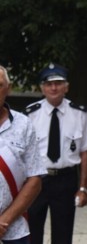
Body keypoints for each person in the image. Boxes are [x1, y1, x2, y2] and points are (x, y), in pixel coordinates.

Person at [24, 63, 87, 244]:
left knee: (63, 234)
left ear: (66, 87)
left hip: (65, 180)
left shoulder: (79, 114)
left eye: (58, 83)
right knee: (32, 231)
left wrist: (83, 187)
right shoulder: (29, 115)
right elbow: (22, 153)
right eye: (48, 84)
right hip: (36, 180)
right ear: (42, 88)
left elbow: (86, 152)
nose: (53, 88)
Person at [0, 65, 45, 244]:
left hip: (13, 228)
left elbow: (35, 180)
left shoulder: (23, 124)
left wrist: (4, 221)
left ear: (8, 89)